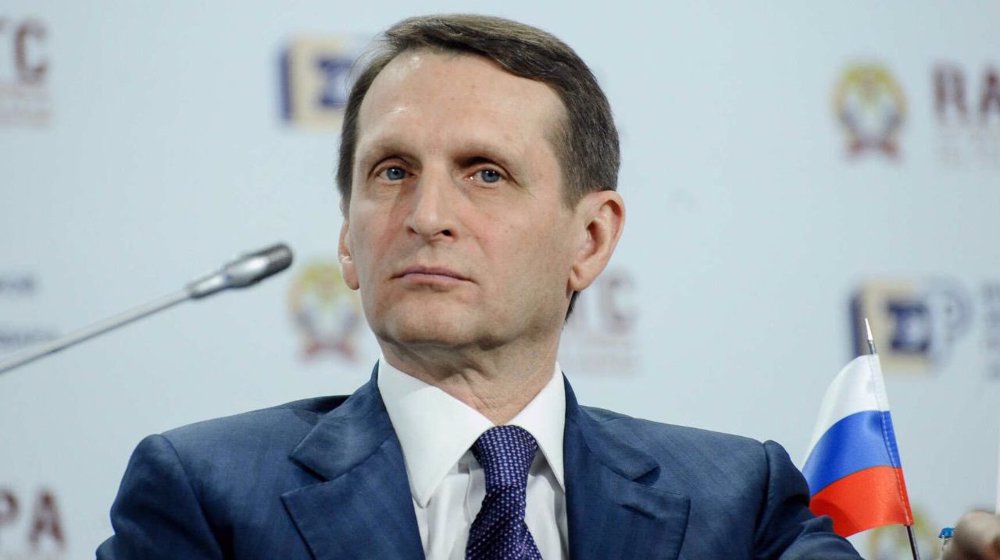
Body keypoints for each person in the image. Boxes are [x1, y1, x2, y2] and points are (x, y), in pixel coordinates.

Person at [97, 14, 862, 559]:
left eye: (485, 174)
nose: (426, 216)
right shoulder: (210, 495)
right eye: (391, 171)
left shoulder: (737, 504)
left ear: (590, 240)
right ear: (347, 241)